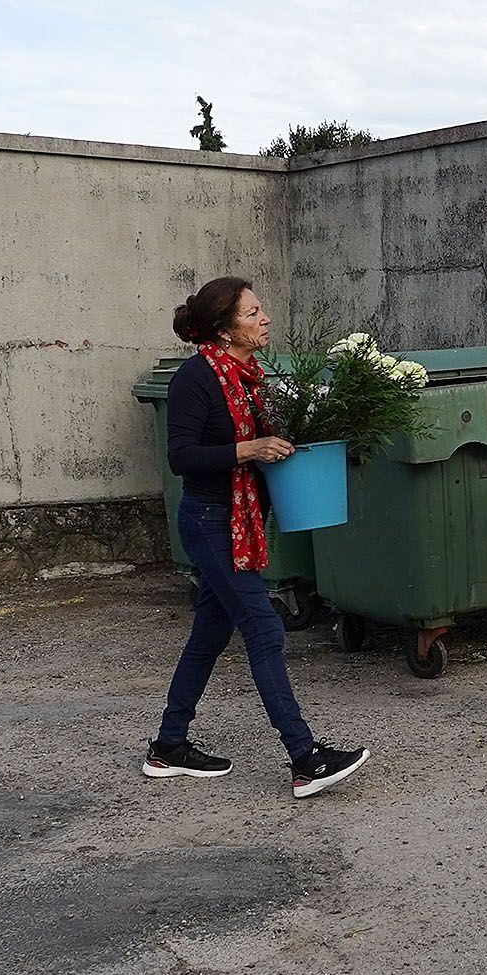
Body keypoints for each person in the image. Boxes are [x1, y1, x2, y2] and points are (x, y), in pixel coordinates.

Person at [144, 276, 371, 799]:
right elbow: (179, 457)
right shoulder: (194, 379)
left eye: (260, 310)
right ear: (225, 330)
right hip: (208, 520)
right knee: (265, 630)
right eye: (252, 312)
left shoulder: (248, 375)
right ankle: (304, 756)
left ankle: (169, 746)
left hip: (238, 520)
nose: (264, 318)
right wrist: (249, 449)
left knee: (209, 636)